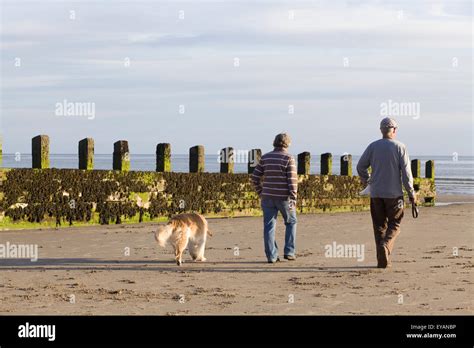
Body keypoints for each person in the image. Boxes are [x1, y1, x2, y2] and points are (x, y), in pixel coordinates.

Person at [357, 117, 416, 268]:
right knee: (395, 223)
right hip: (394, 194)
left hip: (376, 193)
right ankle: (386, 245)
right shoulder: (400, 147)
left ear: (381, 130)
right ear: (394, 130)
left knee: (379, 226)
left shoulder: (373, 146)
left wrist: (368, 180)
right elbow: (406, 173)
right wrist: (411, 193)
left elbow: (360, 166)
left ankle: (382, 260)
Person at [251, 133, 298, 263]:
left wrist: (261, 192)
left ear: (274, 142)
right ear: (287, 144)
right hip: (285, 198)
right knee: (291, 222)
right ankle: (289, 252)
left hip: (267, 198)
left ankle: (271, 256)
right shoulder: (288, 158)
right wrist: (293, 198)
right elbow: (292, 181)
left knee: (269, 226)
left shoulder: (265, 158)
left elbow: (254, 178)